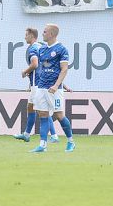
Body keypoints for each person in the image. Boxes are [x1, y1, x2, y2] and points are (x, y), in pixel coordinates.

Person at [22, 23, 75, 153]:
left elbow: (64, 69)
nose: (43, 34)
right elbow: (41, 67)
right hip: (41, 87)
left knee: (60, 115)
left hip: (54, 89)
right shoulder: (42, 49)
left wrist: (58, 85)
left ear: (51, 34)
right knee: (43, 114)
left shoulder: (62, 49)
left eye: (45, 32)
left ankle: (71, 142)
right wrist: (32, 83)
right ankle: (42, 145)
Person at [14, 27, 58, 144]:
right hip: (42, 81)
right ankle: (27, 134)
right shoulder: (41, 46)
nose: (25, 37)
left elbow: (35, 64)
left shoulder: (33, 48)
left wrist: (25, 72)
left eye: (26, 35)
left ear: (32, 36)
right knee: (31, 107)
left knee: (41, 110)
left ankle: (54, 135)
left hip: (38, 83)